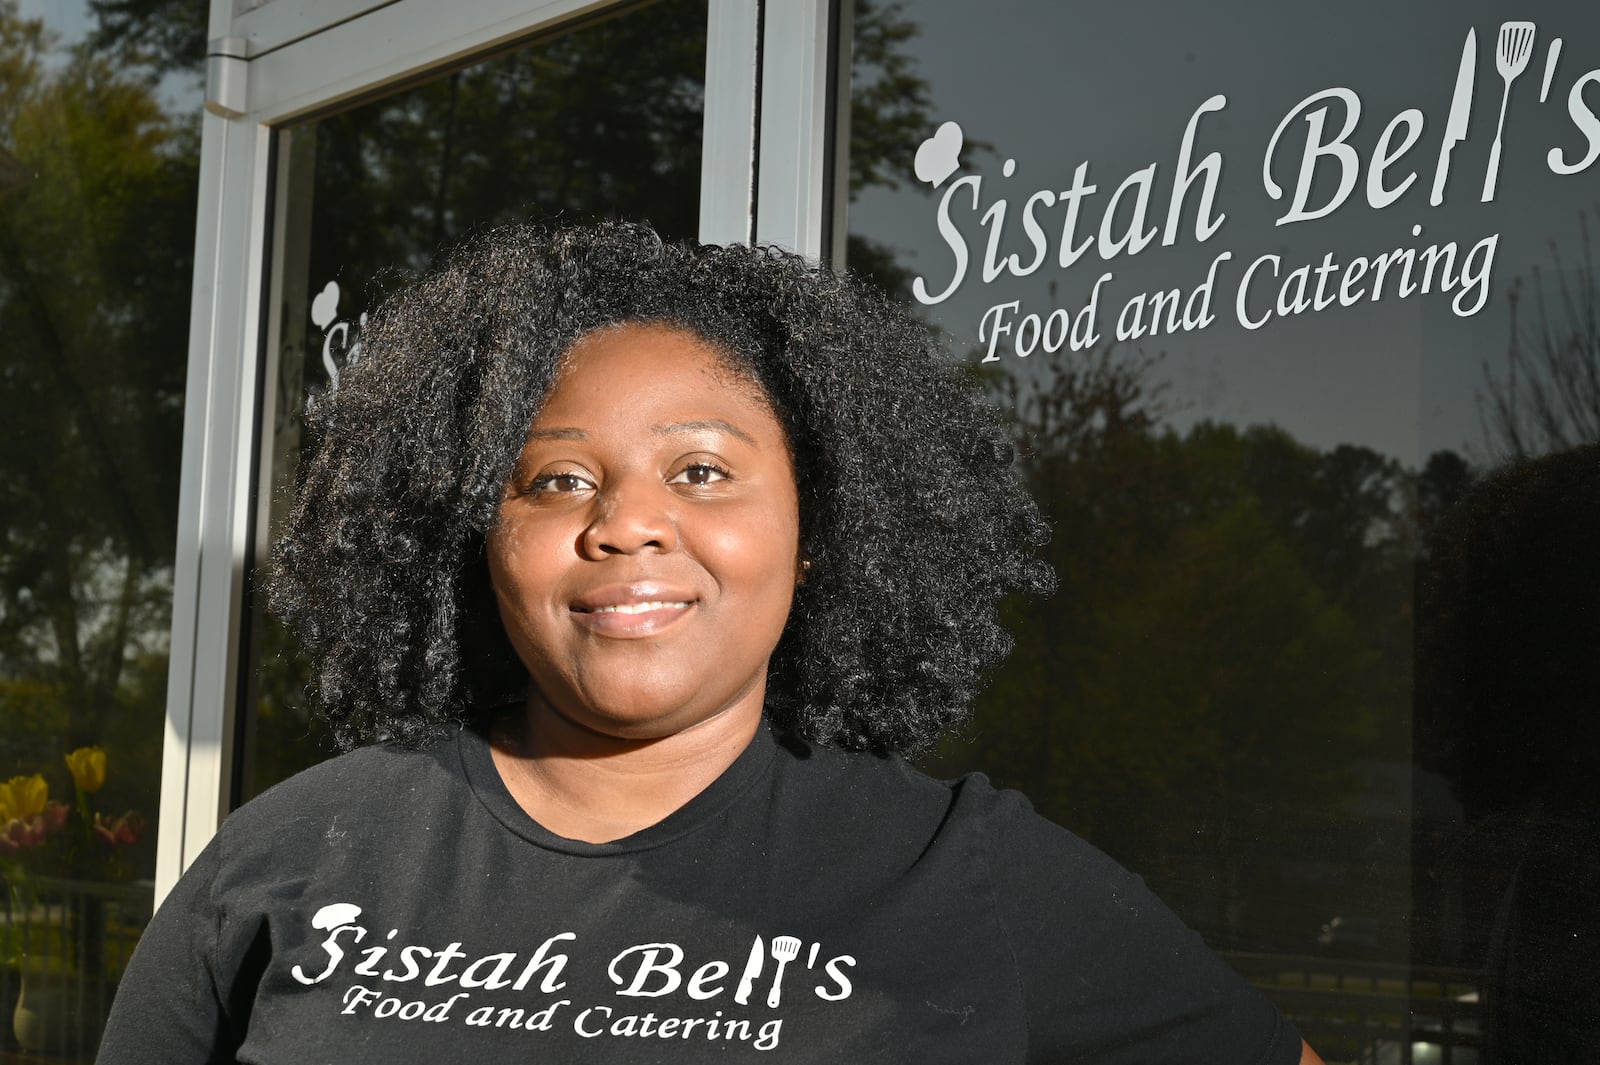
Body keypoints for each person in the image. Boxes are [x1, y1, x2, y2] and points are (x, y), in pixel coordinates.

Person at [98, 222, 1322, 1064]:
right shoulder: (296, 853)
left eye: (700, 469)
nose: (626, 523)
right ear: (481, 543)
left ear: (815, 530)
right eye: (557, 479)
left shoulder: (968, 873)